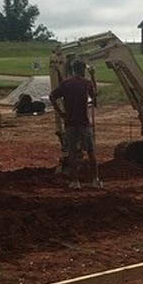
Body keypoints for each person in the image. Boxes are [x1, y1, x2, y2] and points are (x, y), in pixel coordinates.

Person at [50, 60, 101, 189]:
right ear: (83, 69)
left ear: (72, 69)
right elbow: (94, 96)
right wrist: (93, 76)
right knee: (90, 151)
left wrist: (61, 113)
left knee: (72, 153)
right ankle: (95, 180)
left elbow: (52, 96)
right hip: (83, 122)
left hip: (70, 123)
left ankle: (75, 181)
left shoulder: (65, 84)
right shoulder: (86, 83)